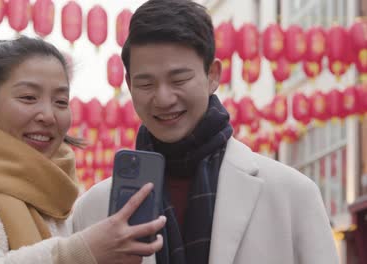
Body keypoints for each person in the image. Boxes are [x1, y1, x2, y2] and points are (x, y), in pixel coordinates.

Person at [71, 0, 339, 263]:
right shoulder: (95, 209)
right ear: (129, 84)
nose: (163, 98)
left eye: (179, 79)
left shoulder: (292, 194)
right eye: (146, 84)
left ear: (212, 75)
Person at [0, 36, 166, 264]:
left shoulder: (60, 201)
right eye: (28, 98)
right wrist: (78, 252)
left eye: (61, 101)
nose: (48, 116)